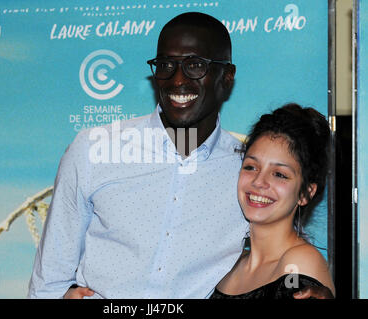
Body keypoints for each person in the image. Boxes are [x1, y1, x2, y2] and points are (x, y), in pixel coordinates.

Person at [28, 12, 331, 299]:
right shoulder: (93, 150)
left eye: (195, 65)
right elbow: (49, 282)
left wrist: (308, 284)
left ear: (227, 77)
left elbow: (286, 256)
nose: (177, 80)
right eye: (165, 65)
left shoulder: (244, 170)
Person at [211, 104, 336, 299]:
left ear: (306, 193)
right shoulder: (230, 264)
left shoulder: (299, 263)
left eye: (279, 174)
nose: (259, 182)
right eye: (251, 167)